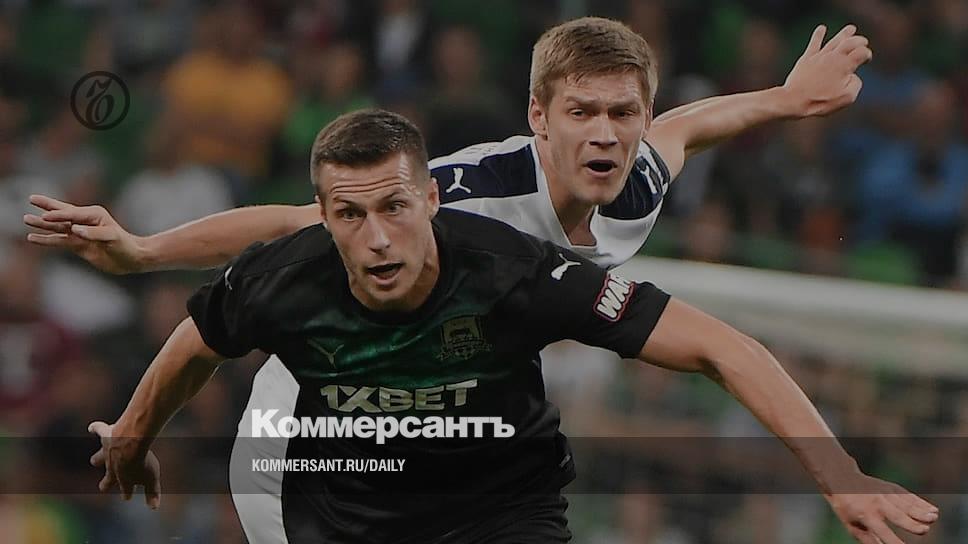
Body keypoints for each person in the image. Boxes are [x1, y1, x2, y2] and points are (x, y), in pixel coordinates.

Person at [88, 109, 937, 544]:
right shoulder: (282, 277)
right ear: (323, 216)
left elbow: (723, 347)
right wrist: (131, 436)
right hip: (346, 517)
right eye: (349, 216)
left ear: (431, 198)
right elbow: (197, 342)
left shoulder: (517, 274)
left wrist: (838, 475)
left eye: (395, 208)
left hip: (501, 512)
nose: (376, 238)